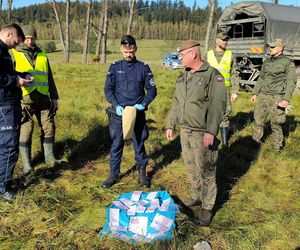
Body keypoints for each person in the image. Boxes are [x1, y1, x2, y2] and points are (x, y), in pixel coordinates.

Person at [166, 40, 226, 226]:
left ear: (193, 54)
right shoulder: (183, 76)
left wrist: (211, 131)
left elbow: (218, 105)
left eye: (182, 55)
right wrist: (170, 124)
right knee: (191, 166)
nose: (180, 59)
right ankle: (196, 196)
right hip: (186, 131)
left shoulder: (212, 75)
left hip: (203, 132)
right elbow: (177, 102)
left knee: (206, 170)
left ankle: (207, 208)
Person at [103, 35, 157, 189]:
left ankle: (142, 174)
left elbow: (152, 89)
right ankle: (114, 175)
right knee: (116, 144)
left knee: (139, 143)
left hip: (137, 113)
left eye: (131, 51)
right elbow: (108, 89)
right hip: (118, 114)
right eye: (126, 52)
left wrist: (144, 104)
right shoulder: (114, 67)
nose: (129, 55)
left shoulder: (143, 68)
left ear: (135, 49)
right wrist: (115, 104)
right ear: (121, 50)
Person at [10, 25, 60, 175]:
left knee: (49, 127)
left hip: (44, 98)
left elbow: (49, 77)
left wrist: (55, 97)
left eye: (32, 37)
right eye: (26, 38)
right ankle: (27, 165)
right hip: (24, 99)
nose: (29, 40)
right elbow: (9, 76)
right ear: (21, 38)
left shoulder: (43, 54)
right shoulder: (14, 53)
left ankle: (50, 159)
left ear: (35, 38)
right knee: (26, 130)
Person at [0, 23, 31, 202]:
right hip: (5, 106)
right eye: (16, 42)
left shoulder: (4, 52)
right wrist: (15, 81)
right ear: (10, 33)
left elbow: (6, 73)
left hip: (8, 104)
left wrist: (22, 74)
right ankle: (3, 188)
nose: (16, 45)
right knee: (9, 147)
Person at [251, 38, 297, 151]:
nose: (270, 49)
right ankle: (255, 143)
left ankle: (277, 147)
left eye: (273, 47)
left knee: (276, 123)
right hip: (263, 95)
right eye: (270, 47)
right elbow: (261, 78)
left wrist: (286, 99)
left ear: (280, 48)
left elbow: (291, 81)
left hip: (277, 96)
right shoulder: (267, 61)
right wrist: (255, 93)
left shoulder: (287, 62)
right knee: (258, 120)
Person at [206, 32, 240, 146]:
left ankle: (225, 144)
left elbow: (235, 74)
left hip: (225, 89)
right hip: (210, 88)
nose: (225, 42)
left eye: (226, 40)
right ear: (216, 40)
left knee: (225, 113)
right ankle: (210, 139)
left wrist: (235, 91)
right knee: (209, 112)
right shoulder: (208, 54)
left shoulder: (231, 55)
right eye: (223, 40)